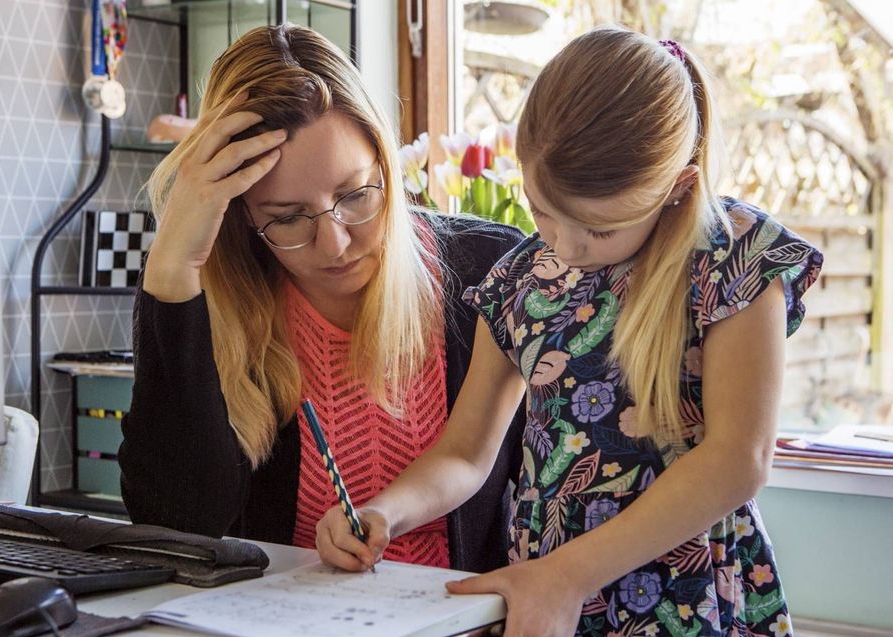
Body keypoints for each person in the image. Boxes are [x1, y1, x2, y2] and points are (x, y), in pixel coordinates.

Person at [316, 26, 823, 637]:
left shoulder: (730, 258)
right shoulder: (518, 281)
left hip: (690, 604)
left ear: (676, 188)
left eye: (600, 230)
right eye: (542, 211)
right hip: (548, 597)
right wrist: (384, 511)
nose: (567, 245)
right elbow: (465, 453)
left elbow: (736, 461)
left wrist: (569, 574)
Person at [117, 23, 526, 574]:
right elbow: (175, 523)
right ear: (241, 215)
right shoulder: (212, 303)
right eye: (286, 218)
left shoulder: (490, 270)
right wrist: (170, 268)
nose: (334, 243)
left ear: (385, 162)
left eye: (356, 195)